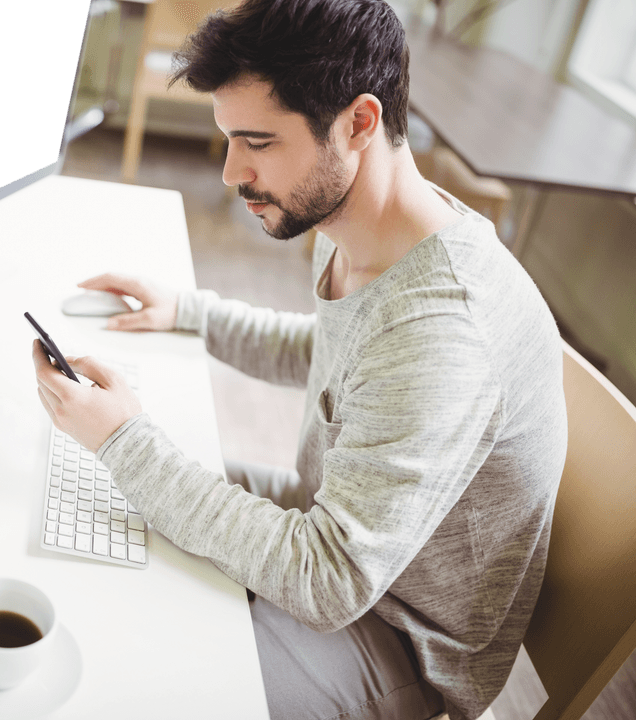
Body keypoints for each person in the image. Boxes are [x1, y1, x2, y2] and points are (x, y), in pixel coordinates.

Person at [32, 1, 567, 718]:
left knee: (141, 681)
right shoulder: (363, 223)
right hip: (334, 529)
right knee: (95, 505)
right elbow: (339, 357)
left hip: (397, 634)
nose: (230, 172)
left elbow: (330, 581)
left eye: (256, 141)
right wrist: (191, 313)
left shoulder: (444, 331)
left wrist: (126, 441)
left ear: (359, 122)